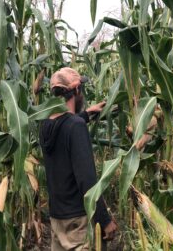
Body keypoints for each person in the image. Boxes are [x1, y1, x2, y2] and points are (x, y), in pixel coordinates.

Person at [39, 67, 117, 251]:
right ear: (75, 90)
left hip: (57, 219)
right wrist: (104, 220)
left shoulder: (45, 125)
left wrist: (86, 114)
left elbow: (64, 126)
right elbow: (87, 180)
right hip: (77, 221)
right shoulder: (76, 127)